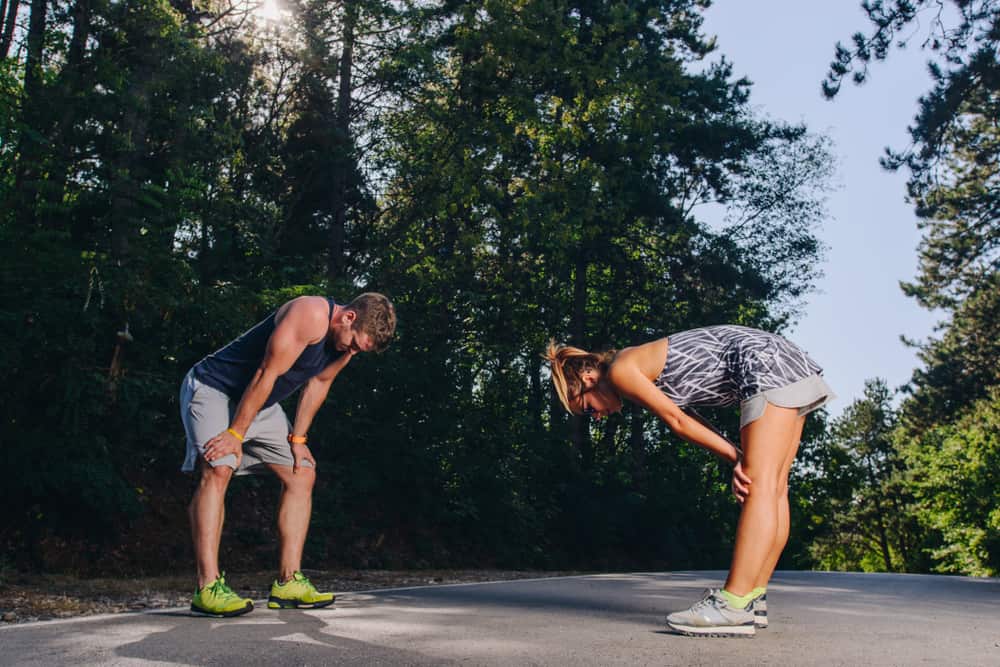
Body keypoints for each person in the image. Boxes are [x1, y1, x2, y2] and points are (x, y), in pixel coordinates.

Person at [545, 325, 834, 637]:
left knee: (759, 484)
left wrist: (738, 460)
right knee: (774, 487)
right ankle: (752, 598)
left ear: (589, 379)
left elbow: (677, 421)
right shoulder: (636, 365)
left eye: (588, 410)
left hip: (763, 362)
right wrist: (738, 455)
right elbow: (687, 415)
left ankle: (733, 604)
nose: (597, 417)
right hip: (784, 360)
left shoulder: (620, 372)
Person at [179, 293, 396, 617]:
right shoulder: (308, 314)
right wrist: (236, 434)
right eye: (353, 345)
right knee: (219, 467)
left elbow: (319, 384)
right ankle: (207, 587)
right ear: (349, 317)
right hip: (215, 388)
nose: (351, 352)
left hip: (259, 404)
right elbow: (265, 373)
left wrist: (297, 438)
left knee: (302, 472)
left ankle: (288, 582)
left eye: (357, 350)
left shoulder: (346, 345)